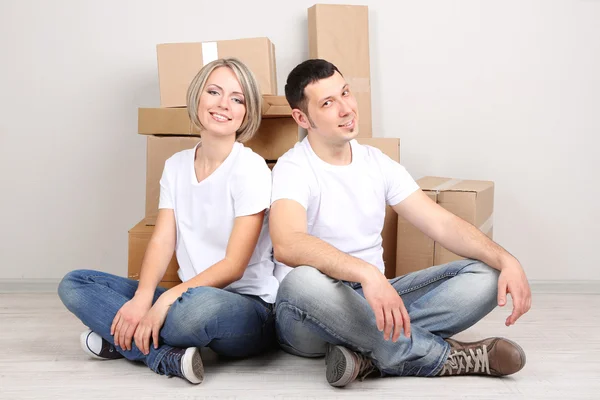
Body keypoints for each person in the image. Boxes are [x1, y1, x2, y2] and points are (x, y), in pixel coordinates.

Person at [269, 59, 532, 387]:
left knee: (489, 275)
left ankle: (368, 356)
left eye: (346, 93)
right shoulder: (293, 168)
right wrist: (366, 273)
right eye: (328, 103)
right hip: (311, 315)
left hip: (375, 300)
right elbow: (287, 243)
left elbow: (441, 224)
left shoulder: (378, 163)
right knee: (301, 282)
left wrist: (507, 260)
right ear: (302, 118)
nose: (346, 108)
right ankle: (441, 357)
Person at [58, 58, 278, 384]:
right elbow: (163, 241)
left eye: (237, 98)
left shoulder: (252, 169)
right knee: (74, 284)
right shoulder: (176, 166)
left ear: (247, 111)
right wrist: (145, 297)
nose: (223, 104)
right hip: (184, 295)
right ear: (197, 98)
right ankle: (164, 355)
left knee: (192, 312)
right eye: (214, 92)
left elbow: (233, 266)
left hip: (246, 307)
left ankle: (127, 342)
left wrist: (165, 301)